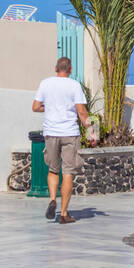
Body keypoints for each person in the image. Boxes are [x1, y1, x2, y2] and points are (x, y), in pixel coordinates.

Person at [32, 57, 89, 224]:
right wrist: (92, 131)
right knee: (68, 172)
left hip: (50, 133)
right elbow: (81, 112)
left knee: (53, 169)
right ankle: (64, 213)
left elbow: (35, 107)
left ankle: (52, 199)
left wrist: (48, 107)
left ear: (55, 68)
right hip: (70, 133)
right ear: (70, 70)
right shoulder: (74, 85)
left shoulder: (45, 83)